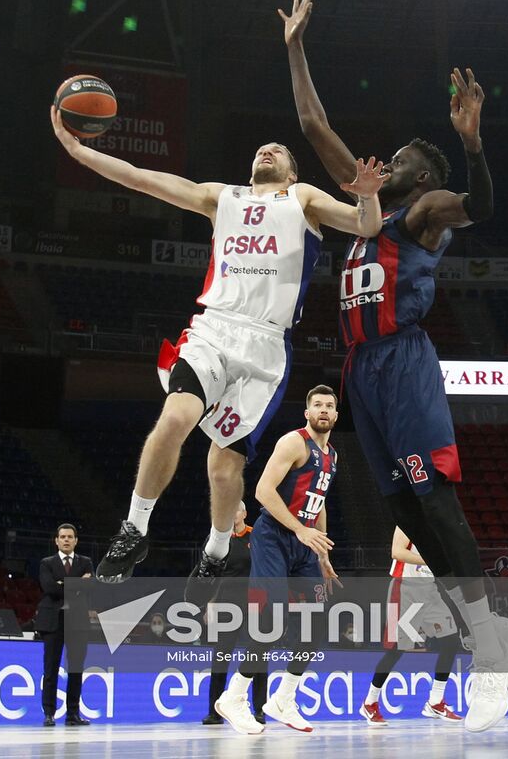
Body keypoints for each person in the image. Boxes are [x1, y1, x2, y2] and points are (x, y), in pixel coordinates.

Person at [279, 0, 508, 734]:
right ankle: (486, 639)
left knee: (437, 505)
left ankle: (489, 650)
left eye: (401, 160)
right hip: (359, 371)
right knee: (408, 514)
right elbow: (313, 124)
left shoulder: (419, 213)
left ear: (418, 179)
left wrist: (471, 141)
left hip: (403, 363)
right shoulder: (366, 209)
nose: (384, 160)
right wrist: (293, 45)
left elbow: (478, 206)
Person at [51, 106, 384, 587]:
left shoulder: (302, 198)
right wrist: (79, 151)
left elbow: (366, 226)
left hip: (267, 346)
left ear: (292, 172)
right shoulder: (220, 197)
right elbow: (145, 179)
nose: (266, 150)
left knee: (223, 466)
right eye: (260, 149)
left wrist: (369, 197)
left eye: (279, 151)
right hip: (213, 330)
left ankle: (216, 550)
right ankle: (135, 528)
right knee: (175, 418)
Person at [216, 385, 339, 735]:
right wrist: (300, 529)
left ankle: (284, 698)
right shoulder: (292, 442)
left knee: (316, 625)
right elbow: (262, 492)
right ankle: (234, 697)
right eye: (317, 405)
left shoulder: (332, 455)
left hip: (305, 543)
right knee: (272, 618)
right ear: (307, 412)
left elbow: (320, 501)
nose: (324, 410)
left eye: (330, 406)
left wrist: (323, 554)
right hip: (274, 537)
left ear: (336, 414)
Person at [360, 526, 462, 726]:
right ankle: (369, 702)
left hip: (430, 589)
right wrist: (431, 560)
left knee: (450, 641)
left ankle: (435, 701)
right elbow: (397, 552)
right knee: (396, 650)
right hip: (405, 588)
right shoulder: (405, 521)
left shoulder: (437, 525)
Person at [202, 501, 268, 726]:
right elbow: (211, 575)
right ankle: (214, 712)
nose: (233, 513)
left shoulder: (256, 536)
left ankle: (260, 709)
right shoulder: (218, 539)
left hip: (255, 601)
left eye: (237, 509)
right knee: (221, 656)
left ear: (245, 513)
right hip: (226, 604)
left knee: (258, 655)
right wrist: (209, 603)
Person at [35, 524, 94, 727]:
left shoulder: (86, 562)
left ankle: (72, 714)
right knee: (50, 670)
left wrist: (64, 584)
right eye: (62, 537)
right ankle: (49, 713)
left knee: (76, 670)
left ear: (76, 540)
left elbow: (88, 589)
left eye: (70, 536)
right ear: (56, 541)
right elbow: (49, 588)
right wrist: (76, 583)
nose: (66, 540)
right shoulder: (46, 563)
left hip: (77, 623)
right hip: (53, 622)